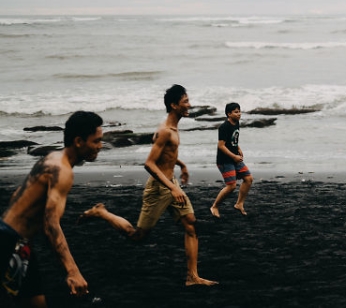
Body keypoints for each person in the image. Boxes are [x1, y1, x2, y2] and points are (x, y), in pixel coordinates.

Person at [79, 85, 217, 286]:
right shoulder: (165, 131)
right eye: (185, 101)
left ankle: (192, 277)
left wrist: (181, 165)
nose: (189, 105)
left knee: (190, 225)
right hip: (160, 188)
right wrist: (172, 188)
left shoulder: (172, 128)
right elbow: (149, 163)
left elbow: (165, 156)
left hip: (171, 183)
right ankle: (102, 212)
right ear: (173, 105)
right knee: (137, 236)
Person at [2, 111, 103, 307]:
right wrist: (72, 271)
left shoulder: (52, 158)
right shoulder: (63, 171)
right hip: (8, 241)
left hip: (19, 242)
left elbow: (16, 195)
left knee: (36, 301)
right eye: (96, 141)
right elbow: (51, 224)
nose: (100, 146)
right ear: (79, 141)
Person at [210, 102, 253, 218]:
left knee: (248, 179)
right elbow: (221, 145)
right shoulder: (224, 127)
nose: (239, 114)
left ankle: (239, 204)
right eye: (236, 112)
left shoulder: (236, 123)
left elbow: (233, 139)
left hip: (234, 158)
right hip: (224, 160)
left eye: (239, 111)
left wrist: (238, 148)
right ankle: (215, 206)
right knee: (231, 186)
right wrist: (234, 156)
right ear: (229, 114)